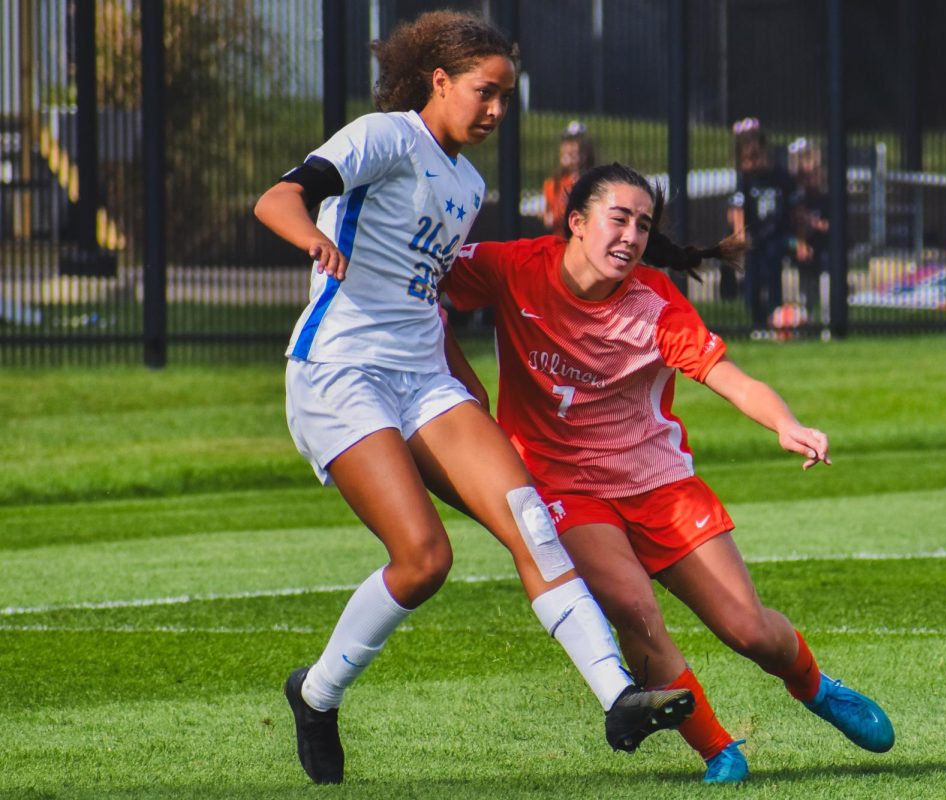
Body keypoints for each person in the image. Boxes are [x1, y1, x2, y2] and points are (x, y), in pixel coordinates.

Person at [253, 13, 692, 786]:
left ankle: (617, 696)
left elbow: (427, 297)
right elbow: (280, 199)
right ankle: (316, 695)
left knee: (532, 519)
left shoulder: (468, 183)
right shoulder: (381, 138)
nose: (496, 111)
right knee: (424, 561)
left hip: (427, 381)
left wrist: (465, 377)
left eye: (506, 98)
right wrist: (312, 239)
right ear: (441, 80)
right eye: (485, 93)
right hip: (340, 373)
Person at [441, 162, 895, 784]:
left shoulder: (655, 305)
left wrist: (785, 424)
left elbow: (728, 377)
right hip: (565, 487)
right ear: (576, 223)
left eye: (643, 224)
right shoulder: (511, 266)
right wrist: (459, 386)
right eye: (618, 218)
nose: (630, 235)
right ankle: (719, 751)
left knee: (749, 630)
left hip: (660, 485)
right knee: (634, 609)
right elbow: (419, 281)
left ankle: (814, 686)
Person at [726, 118, 798, 335]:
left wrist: (798, 236)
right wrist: (740, 234)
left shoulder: (780, 176)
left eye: (755, 157)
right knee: (753, 281)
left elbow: (794, 208)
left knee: (774, 276)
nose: (751, 164)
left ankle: (775, 320)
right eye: (746, 159)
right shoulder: (745, 179)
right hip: (754, 238)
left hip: (776, 235)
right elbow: (737, 208)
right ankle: (756, 323)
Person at [787, 137, 830, 324]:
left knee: (826, 276)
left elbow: (830, 225)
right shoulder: (798, 197)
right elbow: (796, 224)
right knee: (806, 280)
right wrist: (801, 243)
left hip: (825, 246)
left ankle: (829, 320)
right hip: (806, 246)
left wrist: (817, 225)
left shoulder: (826, 196)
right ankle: (806, 318)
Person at [541, 120, 596, 236]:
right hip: (559, 239)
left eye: (575, 154)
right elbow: (548, 217)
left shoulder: (589, 182)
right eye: (567, 153)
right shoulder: (552, 183)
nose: (571, 158)